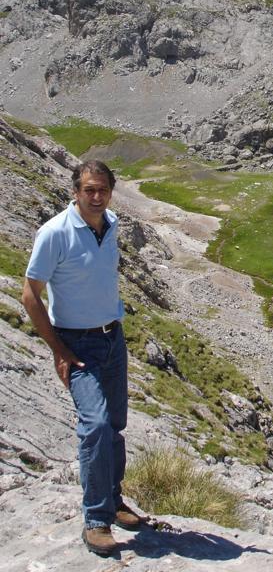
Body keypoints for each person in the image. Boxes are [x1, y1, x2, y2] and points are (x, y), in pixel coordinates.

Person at [22, 160, 141, 557]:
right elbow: (30, 295)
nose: (95, 196)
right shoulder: (54, 233)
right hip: (77, 346)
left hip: (112, 338)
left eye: (102, 189)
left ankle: (113, 499)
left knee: (116, 426)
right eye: (88, 189)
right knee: (95, 426)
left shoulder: (113, 224)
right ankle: (95, 520)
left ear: (110, 191)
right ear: (75, 191)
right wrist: (60, 350)